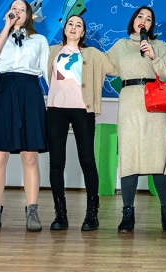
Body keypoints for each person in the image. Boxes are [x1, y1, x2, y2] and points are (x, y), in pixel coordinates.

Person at [0, 0, 49, 232]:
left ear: (29, 15)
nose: (17, 11)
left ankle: (32, 210)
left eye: (22, 9)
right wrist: (6, 28)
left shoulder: (39, 40)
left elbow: (47, 73)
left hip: (29, 93)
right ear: (7, 13)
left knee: (30, 157)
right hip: (3, 91)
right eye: (13, 9)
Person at [105, 6, 166, 234]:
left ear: (151, 25)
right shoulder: (120, 46)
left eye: (149, 18)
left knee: (158, 156)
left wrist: (154, 56)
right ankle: (128, 214)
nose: (143, 20)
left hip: (154, 102)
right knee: (129, 156)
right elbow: (105, 66)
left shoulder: (159, 46)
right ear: (133, 20)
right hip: (129, 103)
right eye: (140, 16)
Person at [46, 14, 118, 231]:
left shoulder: (92, 53)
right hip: (56, 110)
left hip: (83, 110)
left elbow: (114, 69)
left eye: (79, 25)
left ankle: (91, 214)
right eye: (70, 24)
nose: (74, 27)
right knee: (56, 162)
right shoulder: (50, 51)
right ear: (64, 29)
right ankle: (60, 214)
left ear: (83, 32)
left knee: (87, 159)